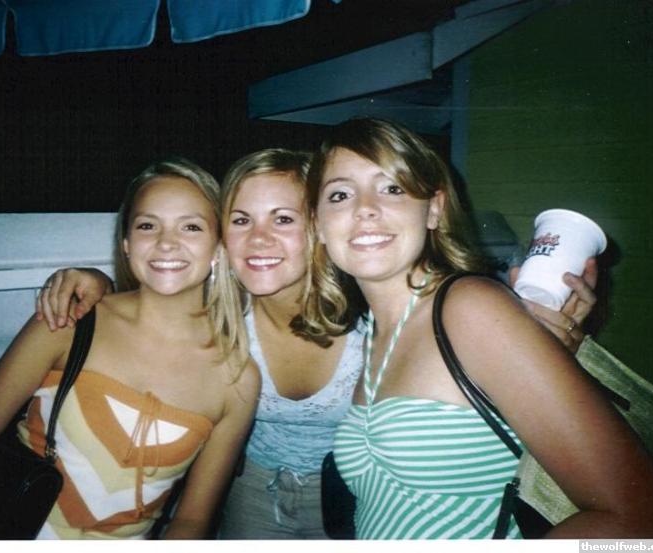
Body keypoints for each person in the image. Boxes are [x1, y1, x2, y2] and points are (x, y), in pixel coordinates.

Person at [35, 149, 603, 539]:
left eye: (283, 218)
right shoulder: (218, 317)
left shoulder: (372, 309)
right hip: (247, 494)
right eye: (240, 220)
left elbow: (466, 342)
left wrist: (548, 337)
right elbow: (149, 301)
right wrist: (94, 282)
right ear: (221, 238)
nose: (259, 238)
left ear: (318, 228)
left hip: (353, 498)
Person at [303, 116, 653, 538]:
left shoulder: (469, 308)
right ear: (318, 224)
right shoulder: (371, 330)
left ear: (434, 209)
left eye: (392, 188)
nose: (365, 208)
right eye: (340, 194)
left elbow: (645, 519)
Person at [0, 158, 259, 539]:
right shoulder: (68, 323)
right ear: (126, 243)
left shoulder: (237, 378)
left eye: (191, 226)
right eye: (148, 225)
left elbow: (192, 521)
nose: (167, 242)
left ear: (218, 247)